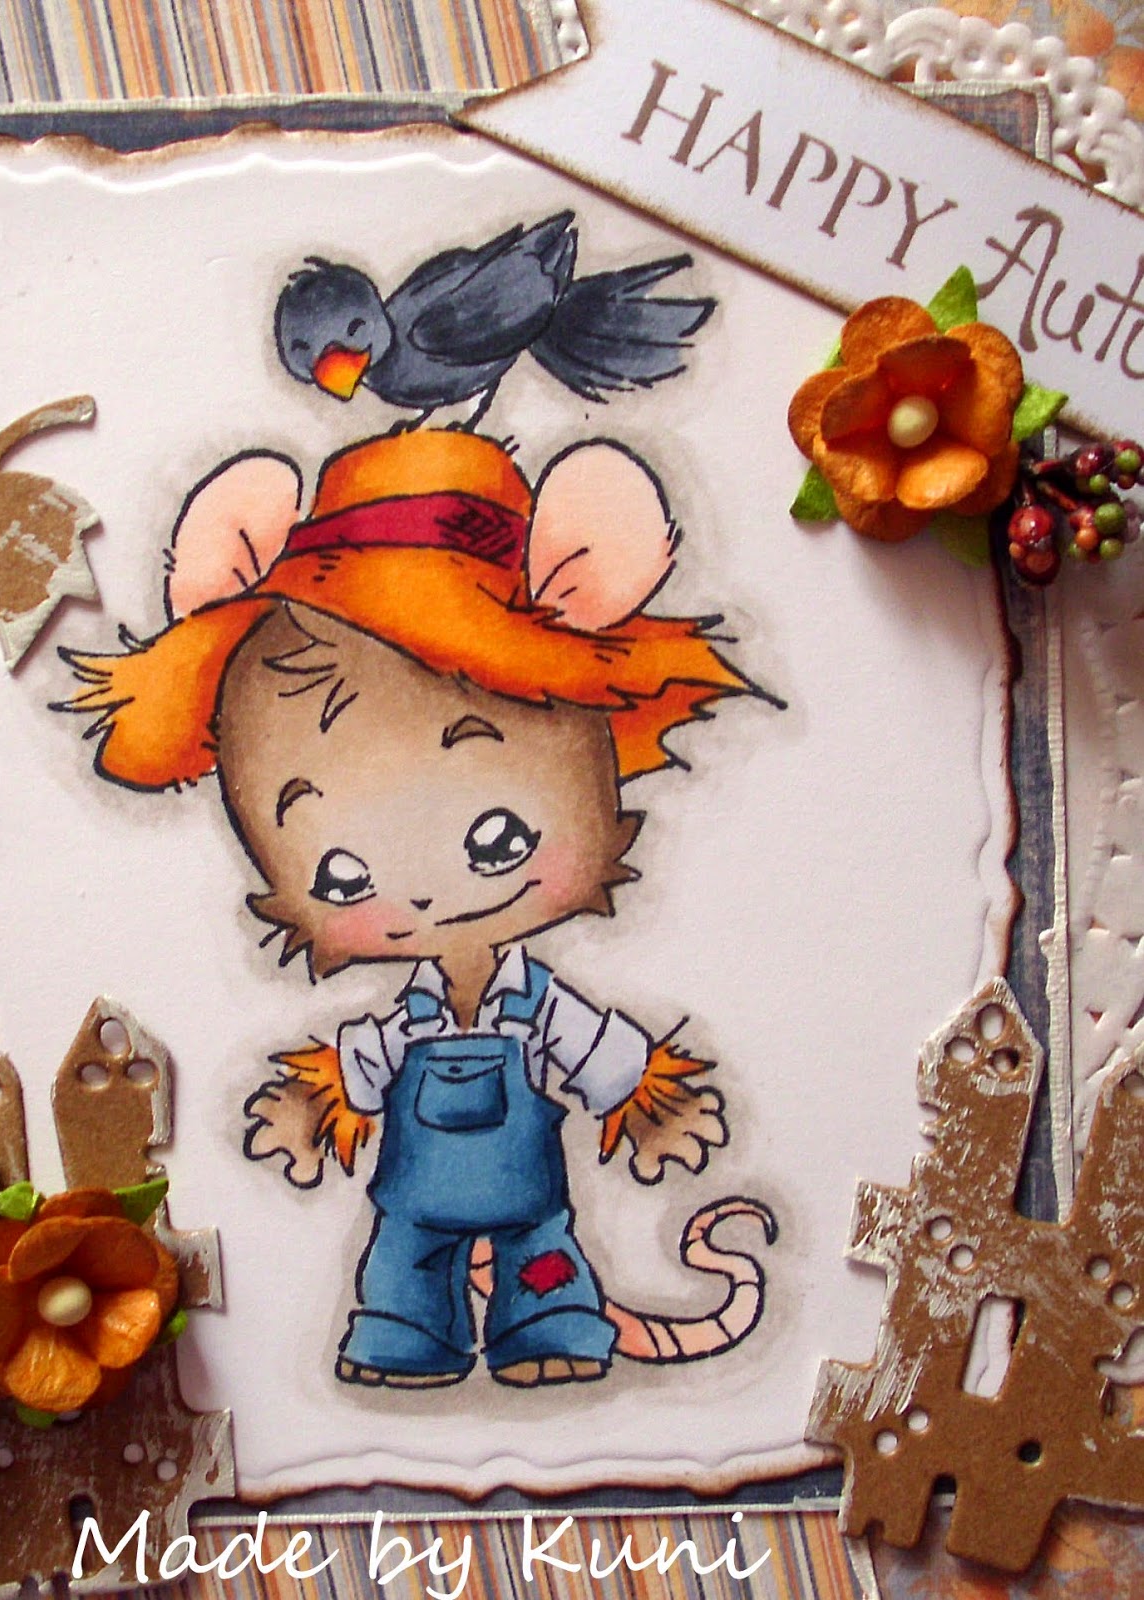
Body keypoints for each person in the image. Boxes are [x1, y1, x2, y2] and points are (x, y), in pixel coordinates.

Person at [59, 427, 772, 1387]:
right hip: (412, 1206)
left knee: (544, 1262)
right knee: (401, 1270)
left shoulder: (540, 1009)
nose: (427, 897)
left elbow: (605, 1058)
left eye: (499, 840)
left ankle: (551, 1327)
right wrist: (309, 1110)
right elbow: (355, 1070)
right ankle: (404, 1335)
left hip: (529, 1206)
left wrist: (653, 1107)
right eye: (343, 875)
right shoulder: (411, 1021)